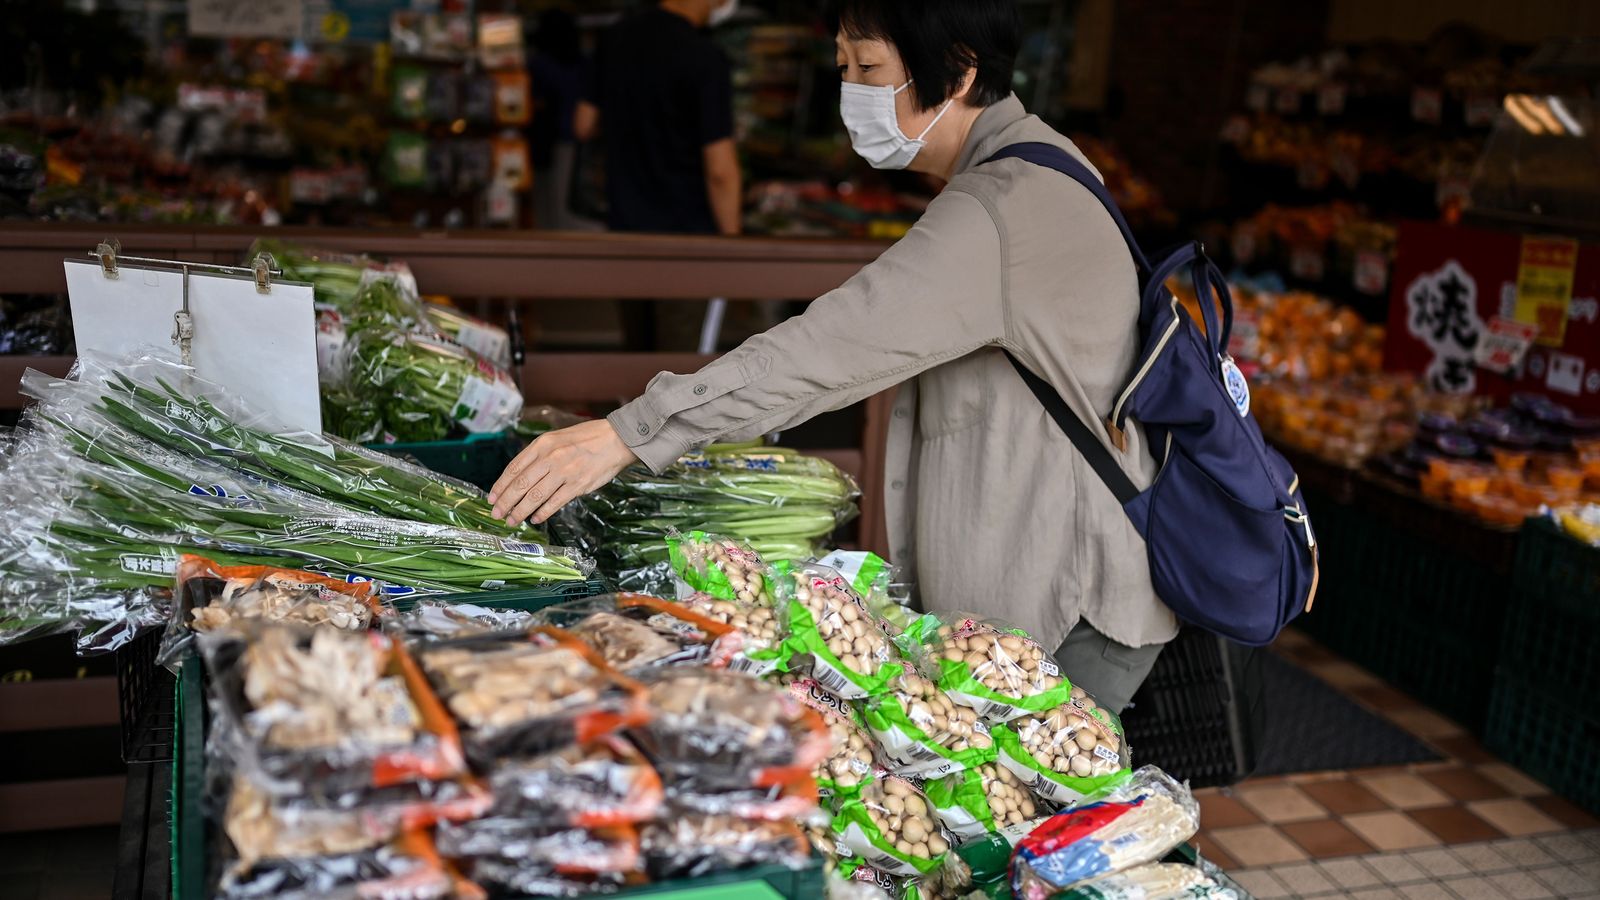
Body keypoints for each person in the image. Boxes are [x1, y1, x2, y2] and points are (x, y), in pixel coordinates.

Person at [492, 0, 1171, 711]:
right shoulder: (1038, 163)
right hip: (1044, 591)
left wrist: (629, 433)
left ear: (959, 72)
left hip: (1065, 604)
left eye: (870, 67)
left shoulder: (1002, 207)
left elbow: (823, 349)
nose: (851, 91)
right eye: (843, 66)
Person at [528, 9, 584, 231]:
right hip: (573, 141)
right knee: (566, 208)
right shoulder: (582, 64)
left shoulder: (539, 64)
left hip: (549, 142)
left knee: (547, 208)